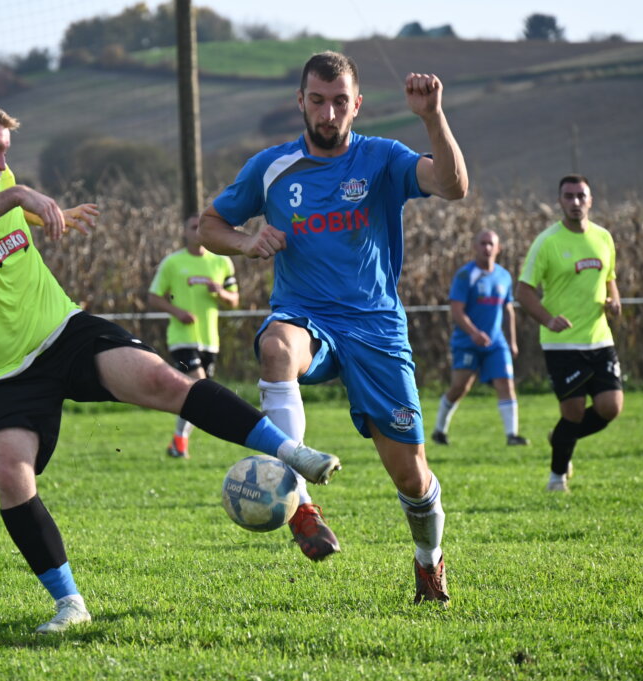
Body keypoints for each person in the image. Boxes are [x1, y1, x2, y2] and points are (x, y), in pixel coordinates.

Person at [0, 98, 341, 633]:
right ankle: (70, 604)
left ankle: (293, 454)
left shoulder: (1, 183)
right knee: (10, 474)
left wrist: (46, 213)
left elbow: (7, 223)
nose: (0, 163)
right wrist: (19, 195)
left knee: (163, 378)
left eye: (5, 154)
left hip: (63, 331)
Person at [199, 51, 468, 603]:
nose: (328, 113)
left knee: (411, 477)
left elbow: (452, 185)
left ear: (357, 105)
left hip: (375, 328)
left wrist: (432, 116)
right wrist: (246, 241)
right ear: (300, 102)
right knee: (275, 348)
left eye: (340, 102)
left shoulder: (383, 159)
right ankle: (300, 504)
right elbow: (207, 225)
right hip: (305, 316)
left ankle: (428, 562)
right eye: (317, 101)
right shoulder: (271, 168)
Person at [516, 174, 623, 492]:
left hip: (600, 338)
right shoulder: (547, 242)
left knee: (611, 408)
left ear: (591, 199)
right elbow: (524, 291)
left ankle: (560, 436)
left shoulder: (604, 237)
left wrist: (614, 300)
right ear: (560, 201)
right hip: (562, 344)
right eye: (569, 196)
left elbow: (610, 277)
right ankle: (557, 478)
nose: (575, 202)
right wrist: (548, 320)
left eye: (581, 196)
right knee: (573, 412)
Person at [148, 215, 239, 459]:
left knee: (198, 395)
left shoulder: (222, 262)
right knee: (199, 387)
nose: (198, 231)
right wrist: (177, 312)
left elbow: (234, 300)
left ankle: (178, 441)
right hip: (182, 338)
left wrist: (220, 292)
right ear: (185, 232)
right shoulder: (173, 263)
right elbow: (154, 296)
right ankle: (180, 443)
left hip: (211, 339)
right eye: (192, 226)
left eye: (202, 226)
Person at [431, 230, 530, 447]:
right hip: (467, 342)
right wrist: (474, 333)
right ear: (475, 247)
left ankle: (512, 435)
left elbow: (508, 310)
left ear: (498, 248)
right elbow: (457, 310)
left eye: (490, 244)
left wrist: (512, 341)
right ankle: (439, 430)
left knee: (506, 383)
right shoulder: (466, 275)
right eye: (482, 243)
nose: (486, 248)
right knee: (460, 388)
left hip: (496, 343)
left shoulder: (504, 276)